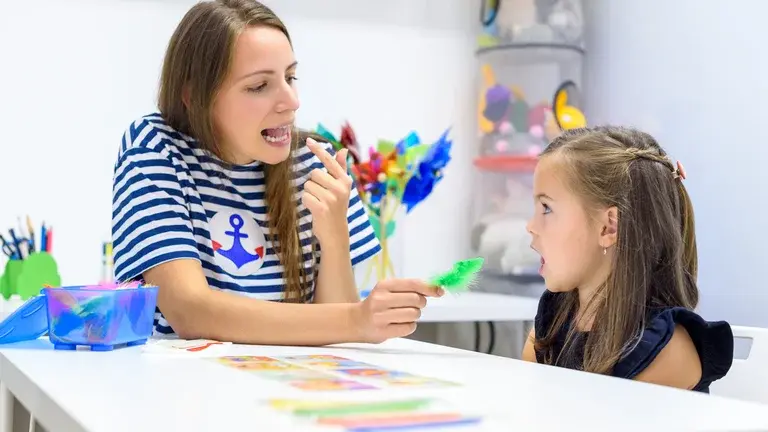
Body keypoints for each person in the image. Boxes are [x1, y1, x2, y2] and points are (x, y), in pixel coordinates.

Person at [111, 0, 443, 346]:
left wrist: (335, 237)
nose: (291, 101)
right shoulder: (155, 147)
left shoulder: (315, 164)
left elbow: (339, 340)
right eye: (259, 86)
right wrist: (357, 318)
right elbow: (190, 311)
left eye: (290, 77)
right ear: (194, 97)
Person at [521, 126, 733, 392]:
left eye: (547, 208)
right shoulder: (554, 319)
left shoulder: (665, 349)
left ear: (608, 227)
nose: (530, 225)